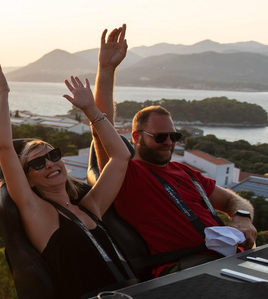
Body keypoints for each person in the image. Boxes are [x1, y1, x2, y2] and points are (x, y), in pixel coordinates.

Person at [92, 24, 257, 277]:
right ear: (136, 137)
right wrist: (106, 70)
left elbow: (233, 200)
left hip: (230, 259)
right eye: (160, 137)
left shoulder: (187, 173)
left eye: (174, 136)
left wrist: (243, 217)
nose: (169, 142)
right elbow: (101, 124)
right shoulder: (125, 173)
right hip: (187, 268)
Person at [0, 56, 133, 299]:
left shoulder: (90, 206)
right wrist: (4, 92)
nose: (49, 163)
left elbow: (121, 156)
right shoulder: (39, 214)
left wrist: (91, 110)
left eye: (53, 155)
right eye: (37, 163)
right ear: (29, 181)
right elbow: (4, 147)